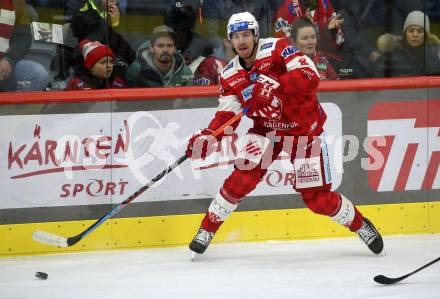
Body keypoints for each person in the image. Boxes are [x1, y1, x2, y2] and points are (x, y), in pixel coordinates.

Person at [185, 12, 383, 256]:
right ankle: (206, 230)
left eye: (246, 34)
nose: (241, 41)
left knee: (318, 200)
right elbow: (226, 117)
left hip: (302, 129)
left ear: (255, 35)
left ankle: (360, 224)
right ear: (229, 41)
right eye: (235, 36)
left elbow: (309, 75)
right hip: (265, 130)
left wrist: (276, 86)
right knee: (241, 180)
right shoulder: (229, 75)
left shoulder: (276, 48)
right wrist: (208, 137)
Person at [373, 10, 440, 77]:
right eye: (411, 30)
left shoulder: (434, 54)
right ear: (405, 33)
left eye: (420, 31)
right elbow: (379, 79)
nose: (415, 34)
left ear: (425, 35)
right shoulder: (390, 55)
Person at [0, 0, 48, 91]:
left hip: (4, 63)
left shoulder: (17, 2)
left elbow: (23, 37)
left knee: (39, 75)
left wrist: (8, 60)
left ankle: (10, 103)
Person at [126, 25, 193, 87]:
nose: (165, 50)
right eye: (160, 46)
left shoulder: (185, 72)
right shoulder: (136, 70)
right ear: (151, 48)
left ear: (175, 49)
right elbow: (132, 99)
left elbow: (190, 99)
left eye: (169, 46)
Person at [273, 0, 344, 58]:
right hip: (298, 63)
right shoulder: (287, 9)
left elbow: (337, 45)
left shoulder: (324, 3)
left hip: (326, 60)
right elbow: (282, 48)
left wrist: (330, 31)